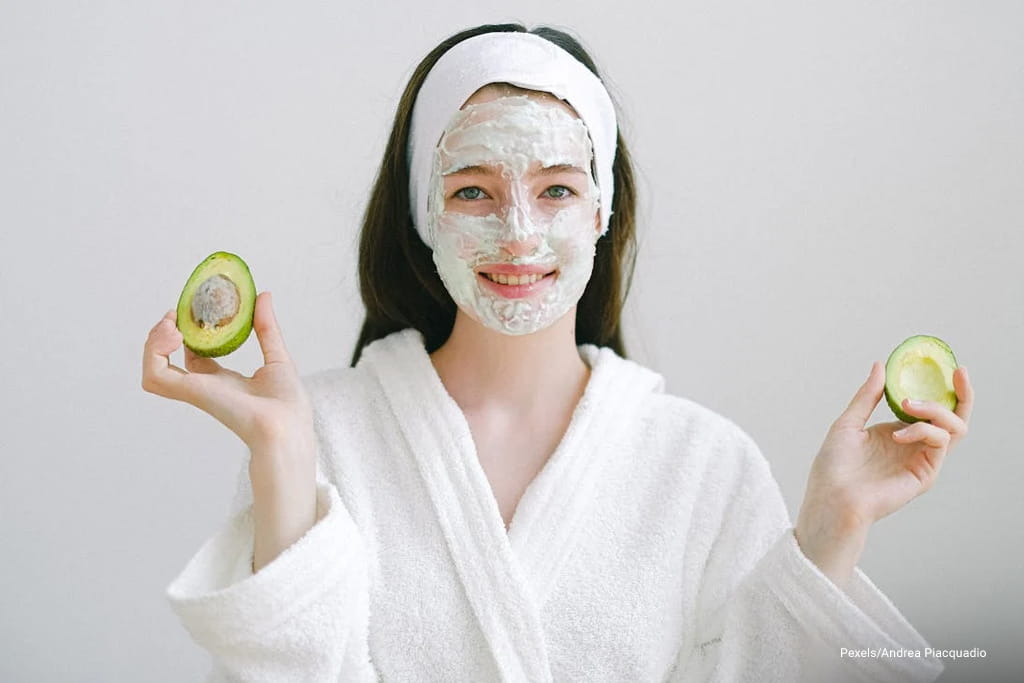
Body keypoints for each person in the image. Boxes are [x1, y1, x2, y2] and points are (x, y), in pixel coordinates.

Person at [142, 23, 975, 683]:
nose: (519, 232)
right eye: (474, 189)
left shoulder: (705, 466)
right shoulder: (325, 434)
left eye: (557, 190)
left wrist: (832, 526)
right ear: (426, 213)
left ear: (601, 209)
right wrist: (286, 459)